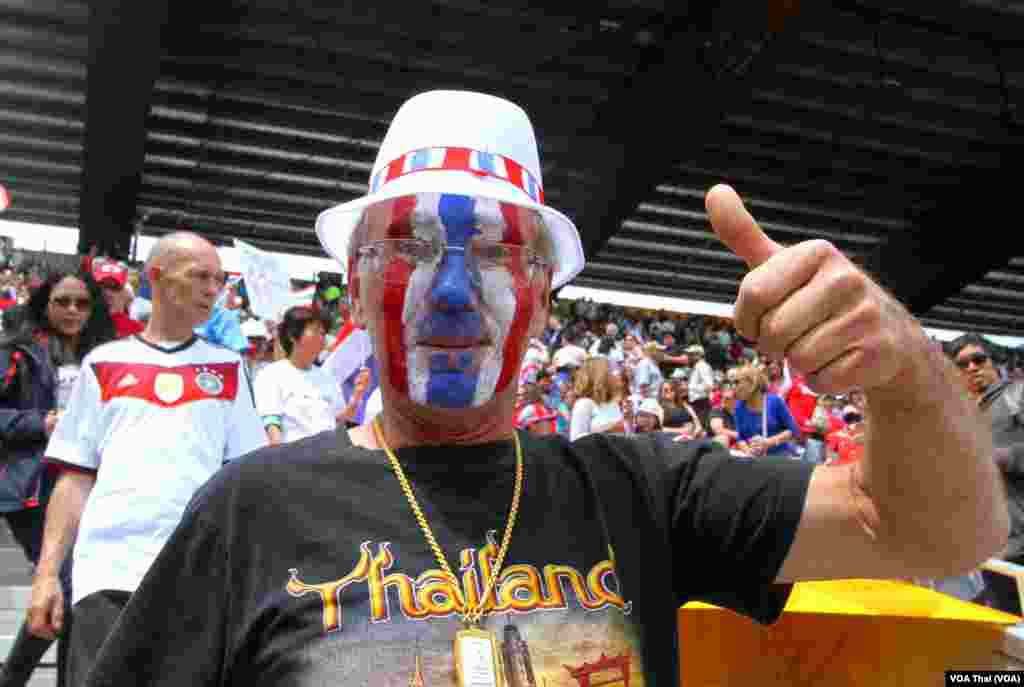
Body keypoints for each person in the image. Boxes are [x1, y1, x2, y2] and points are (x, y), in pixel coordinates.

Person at [82, 90, 1005, 687]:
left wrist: (906, 373)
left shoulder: (640, 491)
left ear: (541, 292)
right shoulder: (252, 509)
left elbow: (945, 531)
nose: (451, 292)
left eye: (493, 253)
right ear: (356, 284)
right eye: (408, 246)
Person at [27, 232, 267, 686]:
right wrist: (46, 576)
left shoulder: (228, 369)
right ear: (155, 277)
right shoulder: (104, 364)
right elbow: (74, 479)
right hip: (107, 571)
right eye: (199, 276)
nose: (213, 289)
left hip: (196, 576)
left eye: (218, 279)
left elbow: (246, 479)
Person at [0, 270, 116, 687]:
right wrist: (42, 423)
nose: (72, 311)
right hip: (33, 485)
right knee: (67, 585)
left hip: (90, 484)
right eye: (62, 301)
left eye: (81, 303)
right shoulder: (18, 352)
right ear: (43, 304)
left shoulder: (105, 355)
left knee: (78, 591)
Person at [950, 334, 1024, 614]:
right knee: (1008, 626)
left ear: (995, 363)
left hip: (1021, 537)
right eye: (962, 364)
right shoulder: (961, 415)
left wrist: (999, 457)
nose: (971, 367)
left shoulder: (1016, 396)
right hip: (992, 544)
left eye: (978, 359)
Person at [254, 305, 345, 445]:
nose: (322, 338)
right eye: (315, 331)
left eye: (323, 333)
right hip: (293, 460)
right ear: (292, 336)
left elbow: (338, 420)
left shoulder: (328, 377)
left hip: (330, 457)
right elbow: (271, 425)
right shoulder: (271, 375)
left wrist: (356, 398)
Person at [732, 364, 803, 458]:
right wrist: (748, 452)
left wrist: (769, 442)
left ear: (752, 383)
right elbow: (740, 437)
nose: (734, 387)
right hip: (754, 460)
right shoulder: (738, 406)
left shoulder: (774, 401)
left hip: (779, 458)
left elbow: (793, 430)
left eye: (737, 382)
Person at [570, 356, 626, 440]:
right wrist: (608, 430)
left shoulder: (613, 404)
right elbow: (576, 440)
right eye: (609, 371)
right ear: (599, 376)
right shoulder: (584, 404)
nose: (615, 375)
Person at [91, 261, 144, 339]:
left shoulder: (137, 329)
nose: (108, 292)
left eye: (114, 287)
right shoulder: (82, 320)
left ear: (124, 292)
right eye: (103, 286)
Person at [687, 344, 714, 426]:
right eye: (689, 354)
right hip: (698, 403)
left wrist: (690, 387)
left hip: (701, 404)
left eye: (691, 354)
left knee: (701, 428)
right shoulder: (697, 366)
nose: (689, 356)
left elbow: (709, 385)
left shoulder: (702, 366)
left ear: (699, 355)